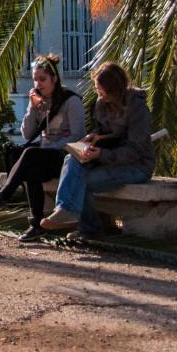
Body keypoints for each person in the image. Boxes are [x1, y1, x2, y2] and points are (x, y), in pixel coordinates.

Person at [0, 54, 84, 242]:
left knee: (31, 153)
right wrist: (33, 108)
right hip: (45, 157)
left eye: (42, 79)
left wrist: (52, 147)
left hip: (66, 158)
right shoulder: (39, 101)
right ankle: (36, 225)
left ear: (54, 79)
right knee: (31, 171)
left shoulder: (71, 101)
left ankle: (2, 197)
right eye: (35, 79)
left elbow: (78, 135)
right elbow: (27, 134)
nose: (38, 84)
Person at [40, 62, 155, 238]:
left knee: (82, 181)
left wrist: (102, 154)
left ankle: (90, 228)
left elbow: (135, 150)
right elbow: (102, 131)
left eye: (102, 91)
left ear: (114, 90)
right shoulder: (102, 104)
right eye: (97, 89)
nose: (98, 94)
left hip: (137, 165)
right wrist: (93, 137)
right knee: (71, 159)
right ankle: (65, 210)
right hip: (107, 158)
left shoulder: (137, 109)